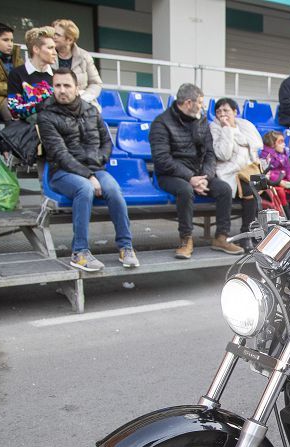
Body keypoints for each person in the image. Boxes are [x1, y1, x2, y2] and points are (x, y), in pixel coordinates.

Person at [39, 68, 137, 272]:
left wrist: (98, 161)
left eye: (67, 85)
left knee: (114, 190)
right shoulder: (46, 116)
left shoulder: (92, 111)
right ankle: (79, 252)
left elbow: (107, 144)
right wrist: (89, 175)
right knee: (85, 188)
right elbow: (60, 154)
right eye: (57, 85)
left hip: (95, 168)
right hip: (62, 173)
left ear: (77, 88)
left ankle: (126, 247)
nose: (62, 90)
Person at [150, 83, 242, 258]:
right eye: (200, 102)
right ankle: (186, 239)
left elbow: (209, 152)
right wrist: (190, 177)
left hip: (199, 173)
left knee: (224, 189)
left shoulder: (201, 120)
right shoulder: (161, 123)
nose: (202, 106)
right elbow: (162, 160)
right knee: (185, 190)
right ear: (188, 103)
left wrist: (205, 177)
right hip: (171, 174)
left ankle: (221, 237)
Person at [210, 96, 262, 240]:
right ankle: (247, 234)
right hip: (229, 172)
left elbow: (256, 146)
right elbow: (223, 155)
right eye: (218, 111)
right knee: (250, 188)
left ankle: (264, 232)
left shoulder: (244, 125)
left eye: (226, 110)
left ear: (235, 112)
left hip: (248, 169)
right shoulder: (215, 128)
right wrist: (226, 129)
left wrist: (236, 133)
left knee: (265, 186)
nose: (222, 114)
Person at [6, 26, 56, 119]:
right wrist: (40, 106)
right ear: (36, 49)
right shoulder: (16, 74)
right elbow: (14, 109)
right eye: (50, 48)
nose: (55, 52)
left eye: (54, 48)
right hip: (29, 129)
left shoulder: (58, 75)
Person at [51, 20, 102, 104]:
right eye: (53, 33)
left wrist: (82, 99)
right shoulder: (48, 56)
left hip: (82, 104)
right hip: (55, 104)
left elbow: (96, 84)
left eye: (57, 35)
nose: (53, 37)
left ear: (69, 40)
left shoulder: (84, 57)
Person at [259, 130, 290, 218]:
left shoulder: (283, 155)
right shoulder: (266, 156)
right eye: (280, 142)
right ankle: (285, 215)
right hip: (272, 183)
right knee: (280, 192)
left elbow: (288, 169)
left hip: (283, 181)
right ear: (272, 144)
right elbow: (267, 172)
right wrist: (279, 181)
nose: (284, 144)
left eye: (283, 142)